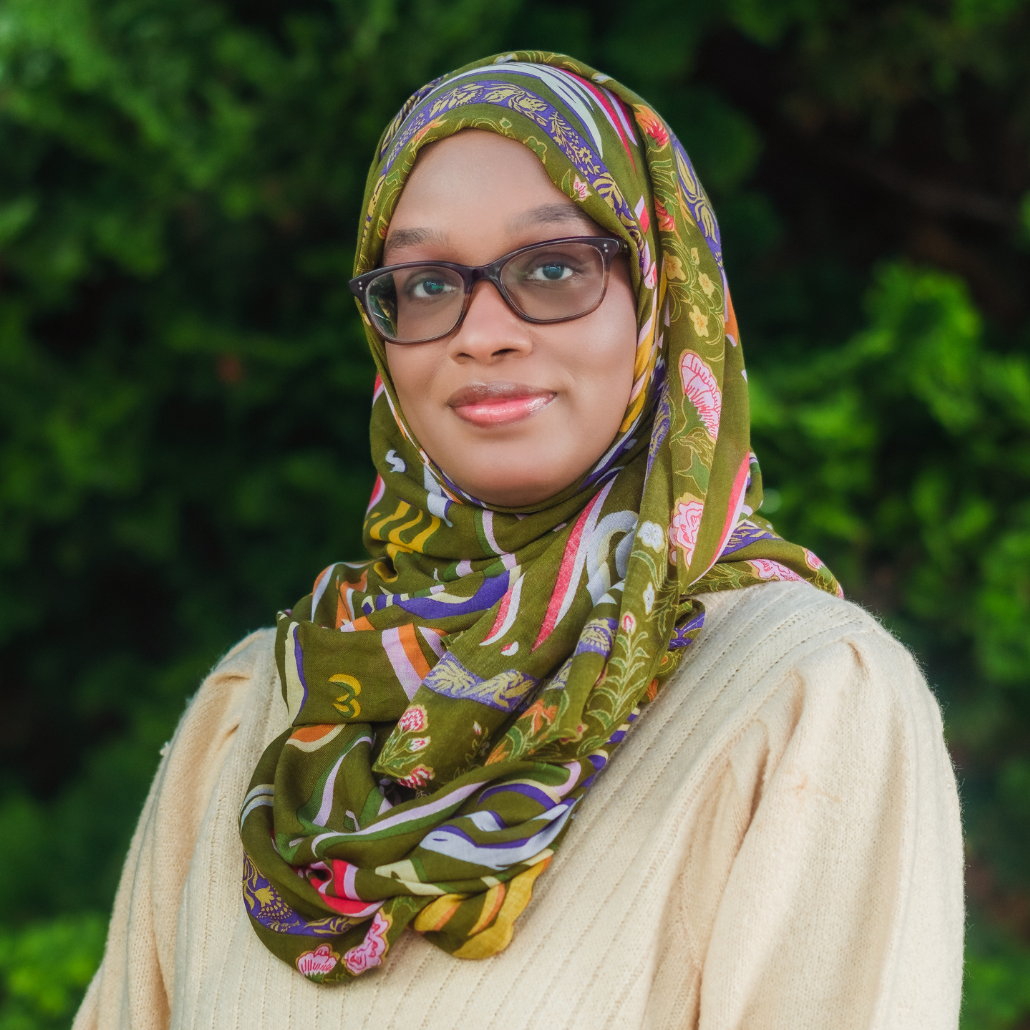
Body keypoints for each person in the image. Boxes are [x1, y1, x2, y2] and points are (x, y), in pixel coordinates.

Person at [73, 51, 964, 1030]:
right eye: (423, 283)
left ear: (663, 301)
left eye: (552, 269)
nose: (481, 332)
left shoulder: (802, 696)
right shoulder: (257, 712)